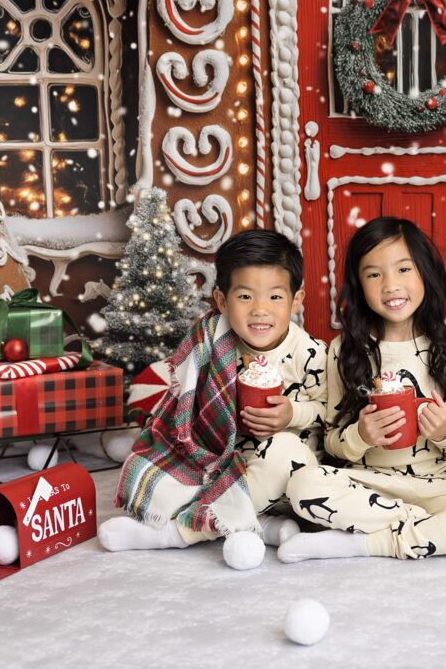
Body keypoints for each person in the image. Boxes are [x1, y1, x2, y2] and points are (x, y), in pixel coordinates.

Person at [278, 217, 446, 563]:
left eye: (404, 269)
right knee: (303, 486)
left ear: (426, 272)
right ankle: (444, 530)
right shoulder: (343, 350)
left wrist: (443, 431)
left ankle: (365, 544)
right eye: (374, 274)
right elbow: (332, 439)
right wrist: (361, 435)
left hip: (438, 484)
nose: (390, 285)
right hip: (369, 484)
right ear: (358, 284)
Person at [98, 230, 327, 569]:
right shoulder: (211, 343)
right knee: (165, 467)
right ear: (222, 301)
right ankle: (256, 526)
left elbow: (330, 412)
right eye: (246, 296)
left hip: (283, 474)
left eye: (275, 298)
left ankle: (178, 534)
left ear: (296, 300)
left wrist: (294, 413)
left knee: (285, 453)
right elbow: (184, 407)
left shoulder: (311, 354)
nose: (260, 310)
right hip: (222, 464)